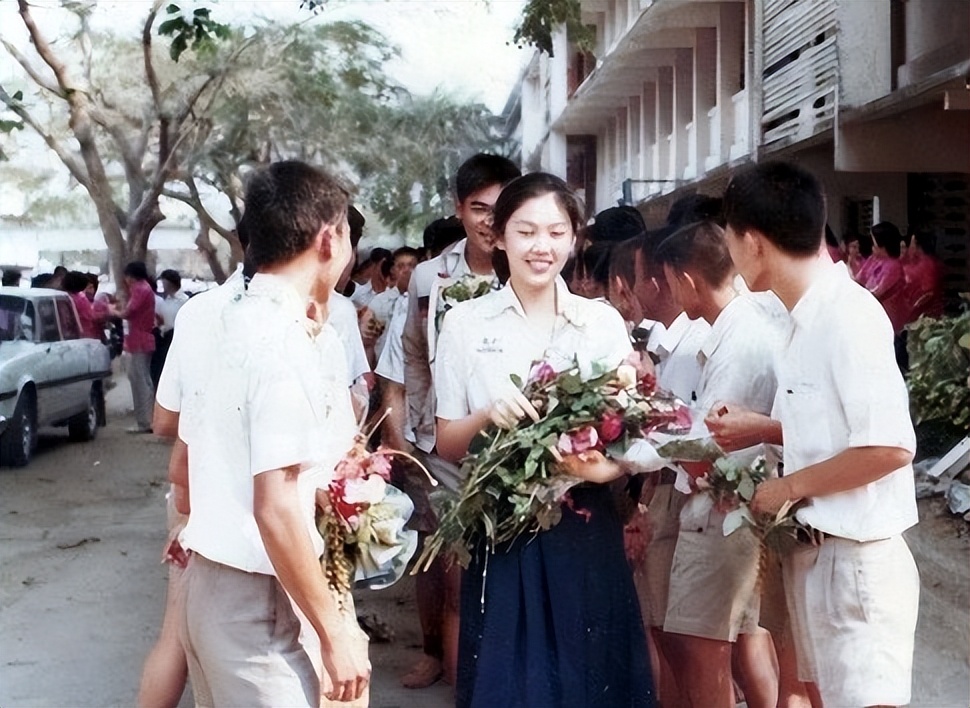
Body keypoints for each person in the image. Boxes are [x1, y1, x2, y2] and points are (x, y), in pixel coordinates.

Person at [432, 172, 654, 708]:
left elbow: (631, 433)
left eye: (557, 232)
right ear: (499, 236)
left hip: (585, 525)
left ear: (575, 237)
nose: (542, 247)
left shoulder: (600, 322)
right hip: (503, 529)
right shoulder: (464, 322)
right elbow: (446, 442)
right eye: (527, 231)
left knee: (591, 678)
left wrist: (608, 469)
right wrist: (488, 414)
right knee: (513, 685)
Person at [156, 161, 370, 706]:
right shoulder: (284, 343)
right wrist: (335, 633)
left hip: (208, 589)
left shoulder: (224, 321)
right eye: (346, 234)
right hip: (255, 602)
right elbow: (274, 507)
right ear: (329, 237)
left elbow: (182, 463)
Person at [723, 161, 919, 708]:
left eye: (730, 239)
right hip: (818, 558)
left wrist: (787, 487)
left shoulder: (847, 317)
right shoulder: (802, 318)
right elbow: (839, 432)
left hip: (858, 565)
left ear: (754, 243)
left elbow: (889, 447)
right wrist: (764, 430)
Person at [399, 153, 521, 689]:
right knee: (451, 575)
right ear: (459, 209)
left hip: (515, 448)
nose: (490, 221)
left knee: (508, 579)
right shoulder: (430, 277)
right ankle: (457, 682)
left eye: (502, 208)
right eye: (479, 208)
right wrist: (410, 437)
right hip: (443, 446)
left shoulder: (531, 266)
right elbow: (411, 358)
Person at [654, 221, 783, 708]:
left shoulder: (738, 339)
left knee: (705, 648)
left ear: (686, 280)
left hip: (726, 507)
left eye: (668, 283)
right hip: (739, 505)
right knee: (730, 644)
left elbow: (708, 447)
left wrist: (633, 445)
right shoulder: (741, 325)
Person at [608, 235, 710, 708]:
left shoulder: (694, 345)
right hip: (668, 489)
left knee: (695, 644)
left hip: (692, 491)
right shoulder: (670, 341)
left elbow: (686, 437)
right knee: (671, 633)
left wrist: (615, 460)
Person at [114, 261, 156, 433]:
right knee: (142, 379)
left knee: (140, 381)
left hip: (139, 339)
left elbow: (128, 312)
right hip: (141, 339)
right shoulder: (144, 288)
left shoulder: (140, 289)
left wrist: (112, 311)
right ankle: (146, 420)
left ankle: (145, 421)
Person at [151, 269, 188, 390]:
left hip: (177, 337)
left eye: (165, 283)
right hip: (165, 337)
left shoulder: (184, 301)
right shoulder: (166, 301)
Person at [63, 271, 103, 339]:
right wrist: (107, 312)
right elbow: (91, 315)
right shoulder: (81, 298)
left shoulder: (63, 297)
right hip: (85, 334)